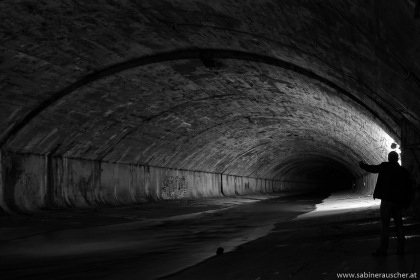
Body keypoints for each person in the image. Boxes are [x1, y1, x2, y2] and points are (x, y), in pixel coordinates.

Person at [359, 151, 411, 256]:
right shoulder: (403, 171)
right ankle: (401, 250)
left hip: (386, 201)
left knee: (385, 226)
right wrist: (406, 202)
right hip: (398, 202)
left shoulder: (384, 166)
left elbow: (372, 169)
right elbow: (408, 187)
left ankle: (383, 250)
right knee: (399, 226)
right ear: (397, 159)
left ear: (389, 158)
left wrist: (362, 165)